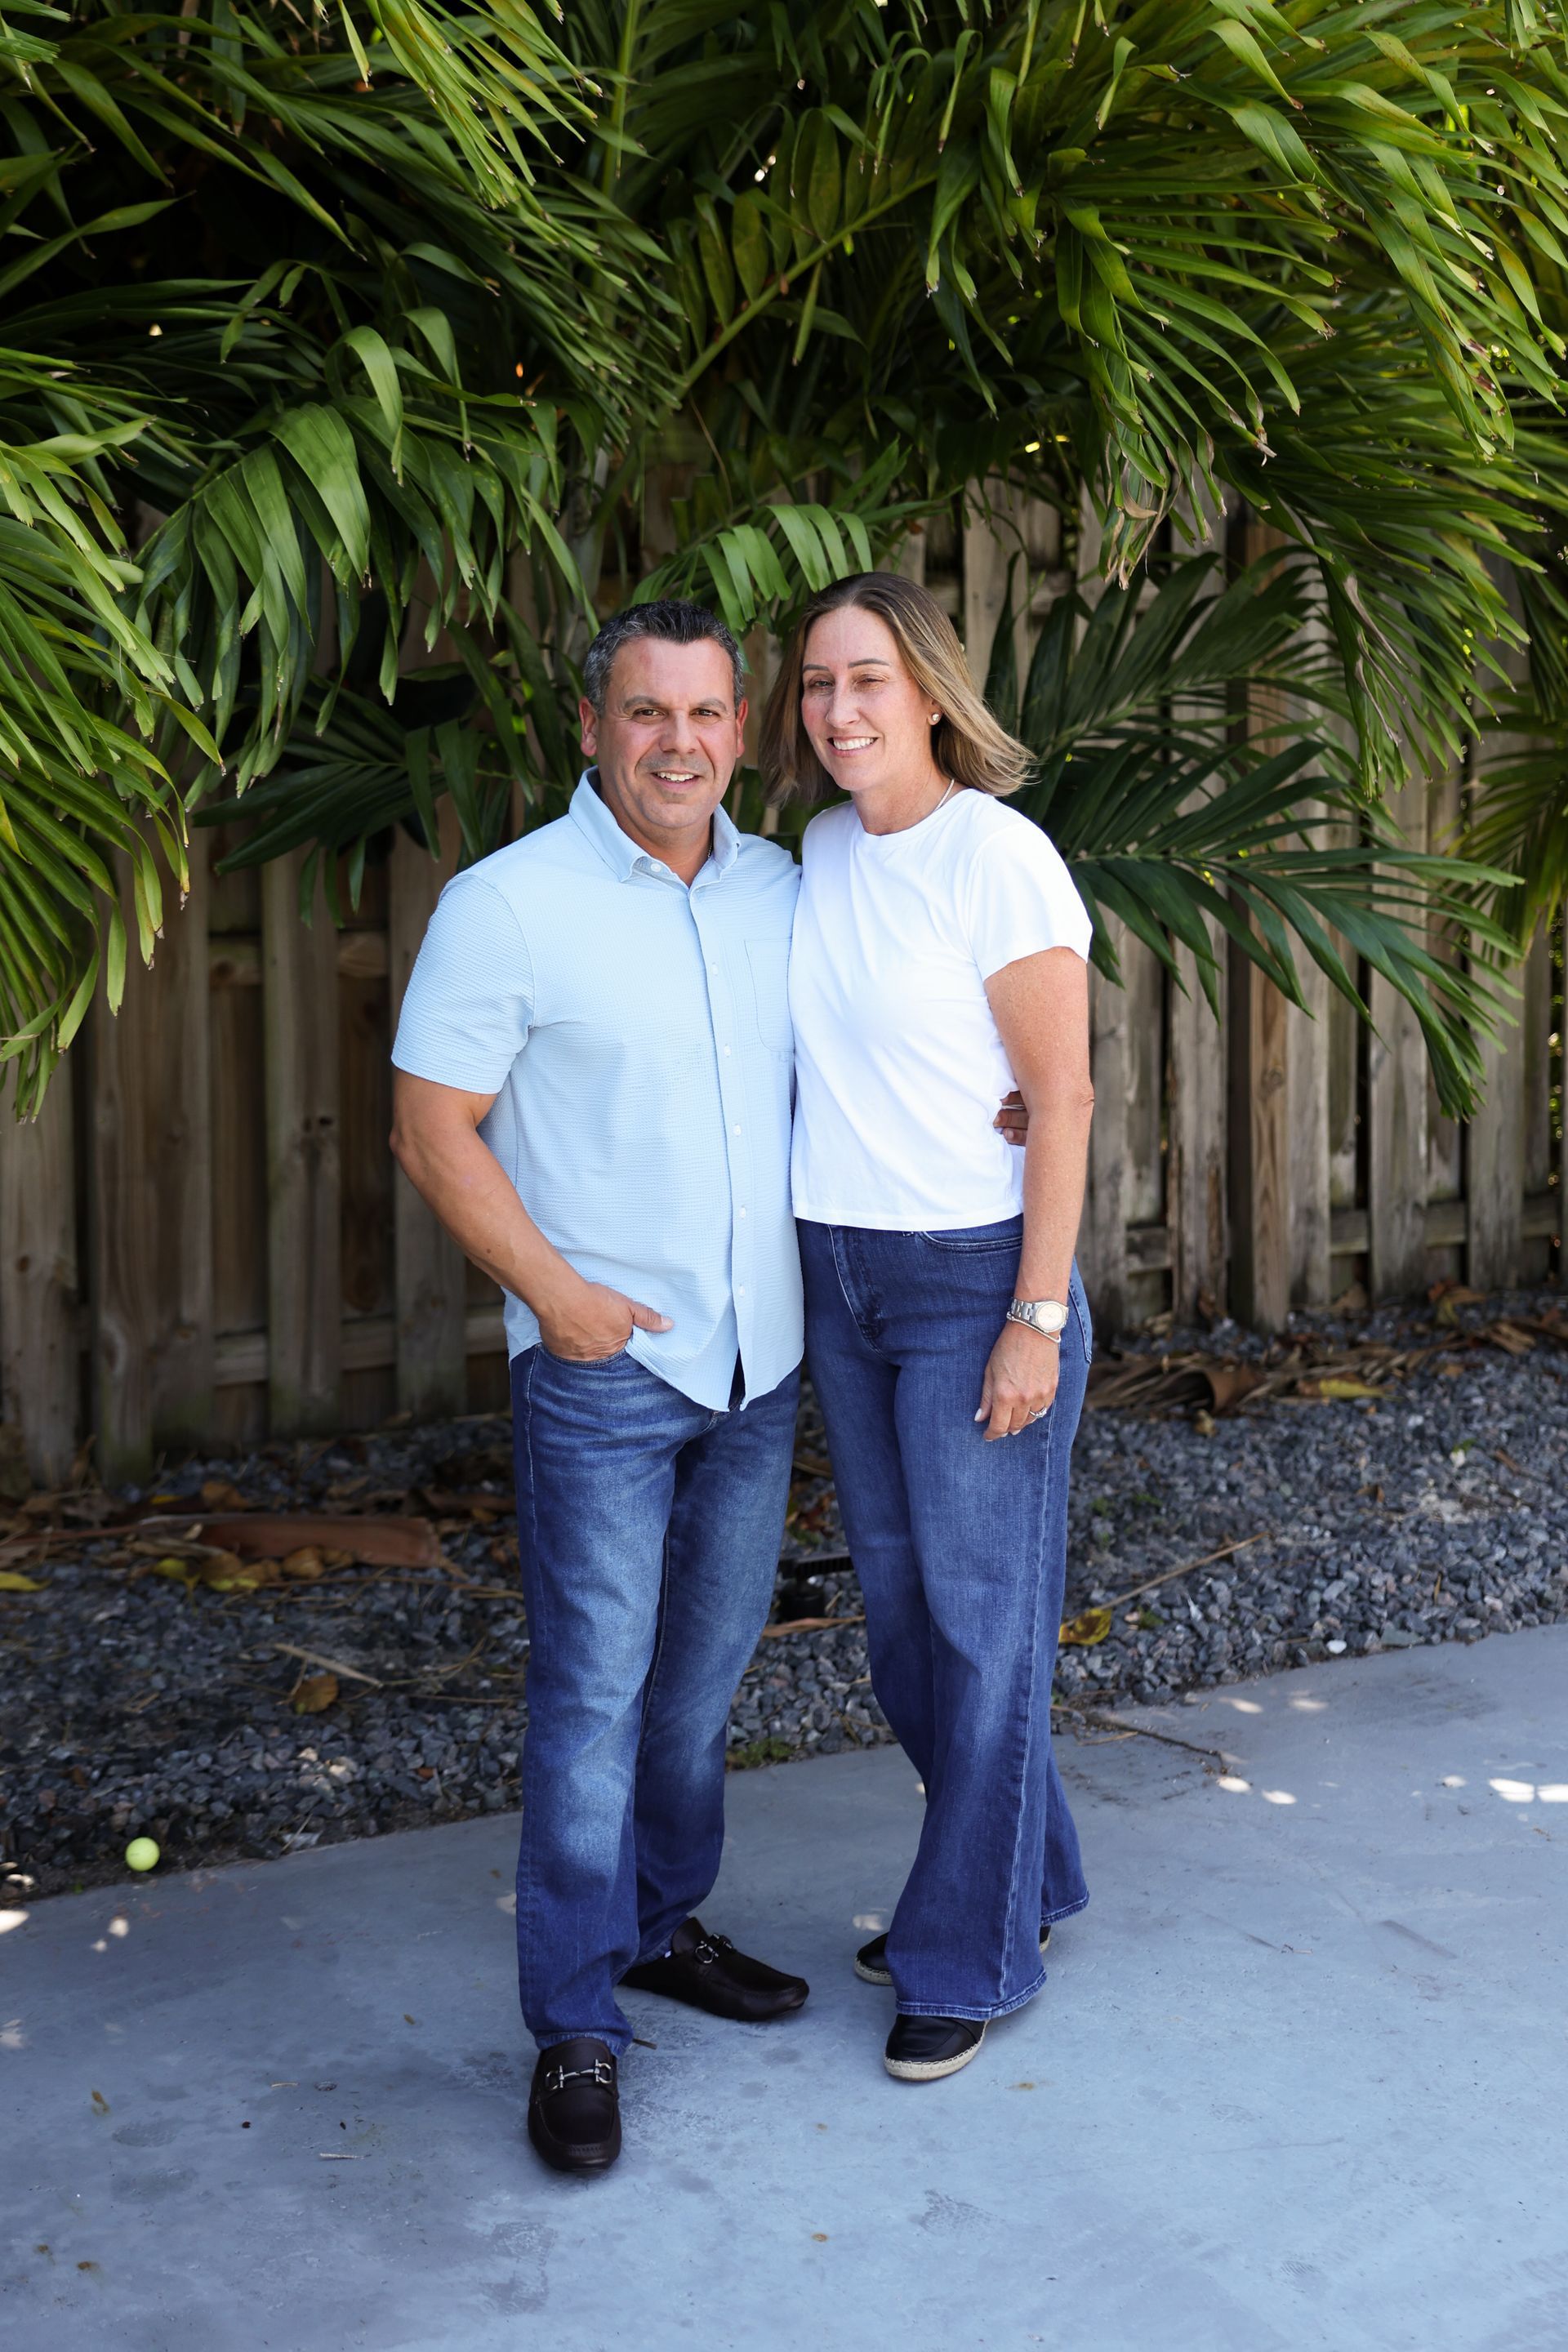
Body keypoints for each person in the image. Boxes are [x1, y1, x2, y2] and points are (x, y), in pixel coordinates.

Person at [390, 601, 811, 2176]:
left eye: (707, 715)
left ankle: (656, 1925)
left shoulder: (784, 888)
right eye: (647, 714)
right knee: (588, 1704)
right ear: (591, 728)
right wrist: (557, 1300)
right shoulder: (509, 907)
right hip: (602, 1374)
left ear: (742, 732)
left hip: (758, 1370)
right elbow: (433, 1128)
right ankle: (575, 2019)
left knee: (697, 1692)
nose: (679, 743)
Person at [761, 568, 1096, 2084]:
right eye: (818, 684)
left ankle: (968, 1948)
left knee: (978, 1624)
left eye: (868, 680)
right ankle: (1034, 1873)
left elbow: (1066, 1096)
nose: (838, 710)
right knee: (911, 1631)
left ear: (930, 692)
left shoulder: (999, 859)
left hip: (972, 1281)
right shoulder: (816, 854)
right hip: (843, 1276)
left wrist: (1034, 1314)